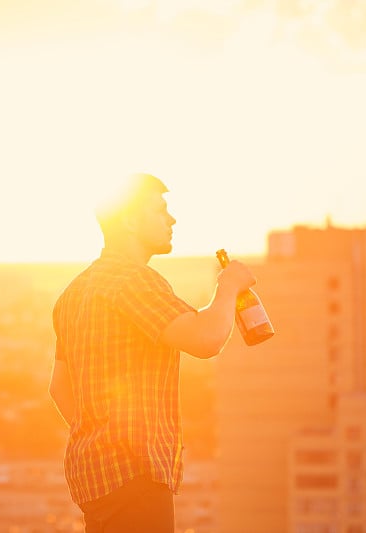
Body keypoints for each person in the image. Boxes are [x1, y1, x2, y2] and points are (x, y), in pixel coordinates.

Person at [49, 173, 258, 533]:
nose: (172, 219)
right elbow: (206, 338)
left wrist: (102, 438)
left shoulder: (73, 294)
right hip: (135, 477)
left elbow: (59, 389)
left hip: (94, 482)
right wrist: (229, 286)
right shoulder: (133, 281)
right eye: (160, 210)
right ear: (130, 220)